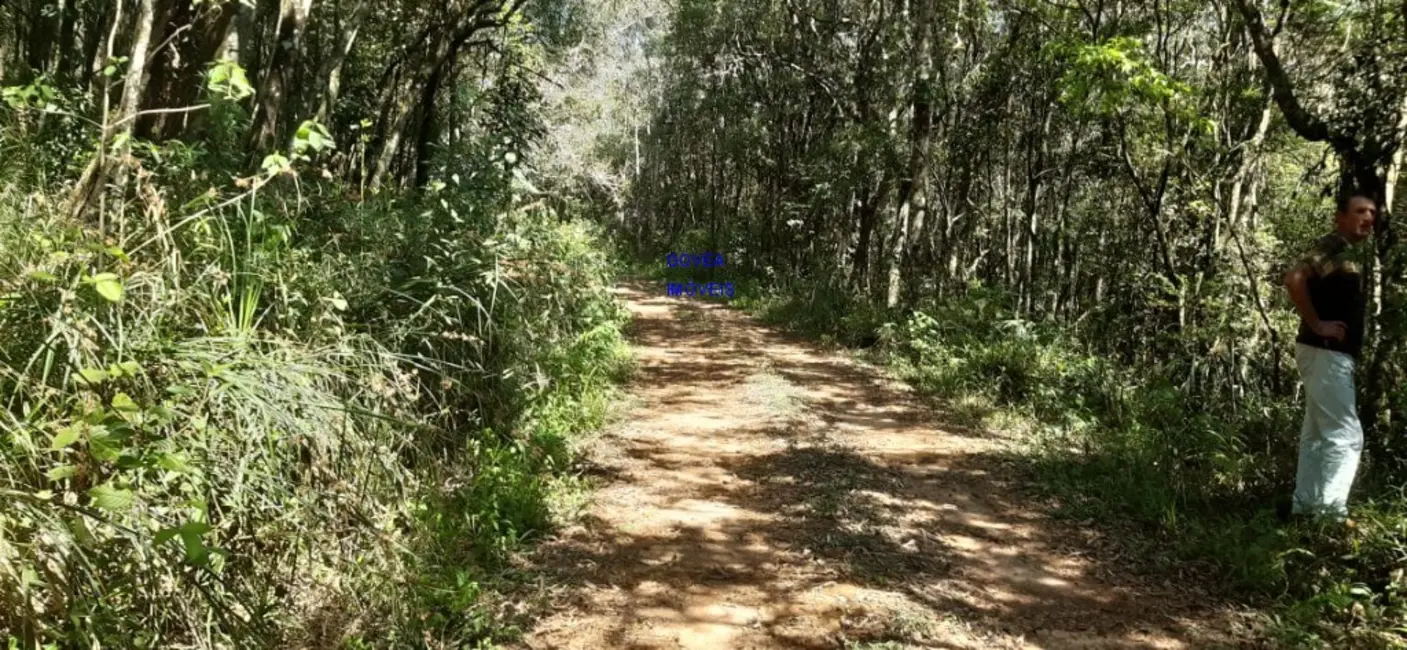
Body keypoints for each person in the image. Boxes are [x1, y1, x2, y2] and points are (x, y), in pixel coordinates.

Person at [1278, 190, 1377, 523]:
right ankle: (1331, 516)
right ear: (1341, 217)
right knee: (1347, 437)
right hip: (1326, 353)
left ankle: (1304, 509)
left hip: (1323, 354)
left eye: (1372, 213)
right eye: (1360, 211)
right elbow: (1294, 278)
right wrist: (1318, 324)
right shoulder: (1332, 246)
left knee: (1318, 435)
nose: (1368, 218)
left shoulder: (1346, 252)